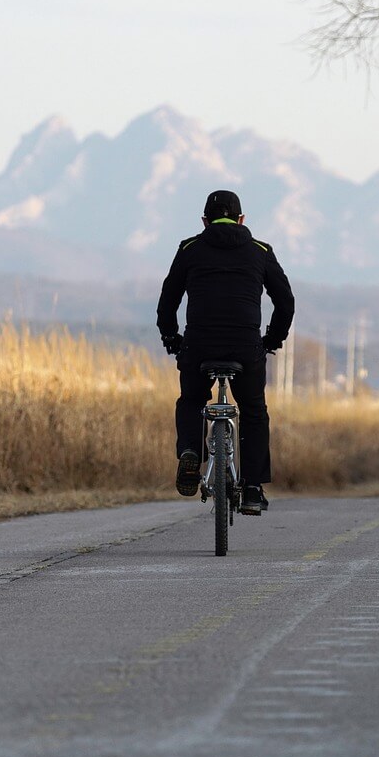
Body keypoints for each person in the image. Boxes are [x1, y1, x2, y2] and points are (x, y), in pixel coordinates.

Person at [157, 189, 294, 515]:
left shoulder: (190, 249)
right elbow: (285, 301)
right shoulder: (260, 251)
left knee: (191, 399)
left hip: (199, 343)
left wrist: (171, 338)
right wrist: (272, 340)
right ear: (241, 219)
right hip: (246, 346)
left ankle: (191, 450)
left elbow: (168, 300)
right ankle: (251, 487)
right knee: (254, 410)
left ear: (204, 220)